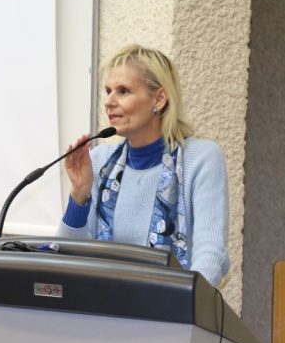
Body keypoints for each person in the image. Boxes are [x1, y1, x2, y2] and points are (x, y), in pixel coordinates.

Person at [58, 44, 230, 286]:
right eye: (108, 91)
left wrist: (180, 302)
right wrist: (79, 193)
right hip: (105, 305)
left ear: (158, 98)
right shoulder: (99, 160)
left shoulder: (201, 158)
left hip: (172, 306)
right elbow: (66, 256)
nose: (109, 102)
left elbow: (211, 254)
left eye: (123, 91)